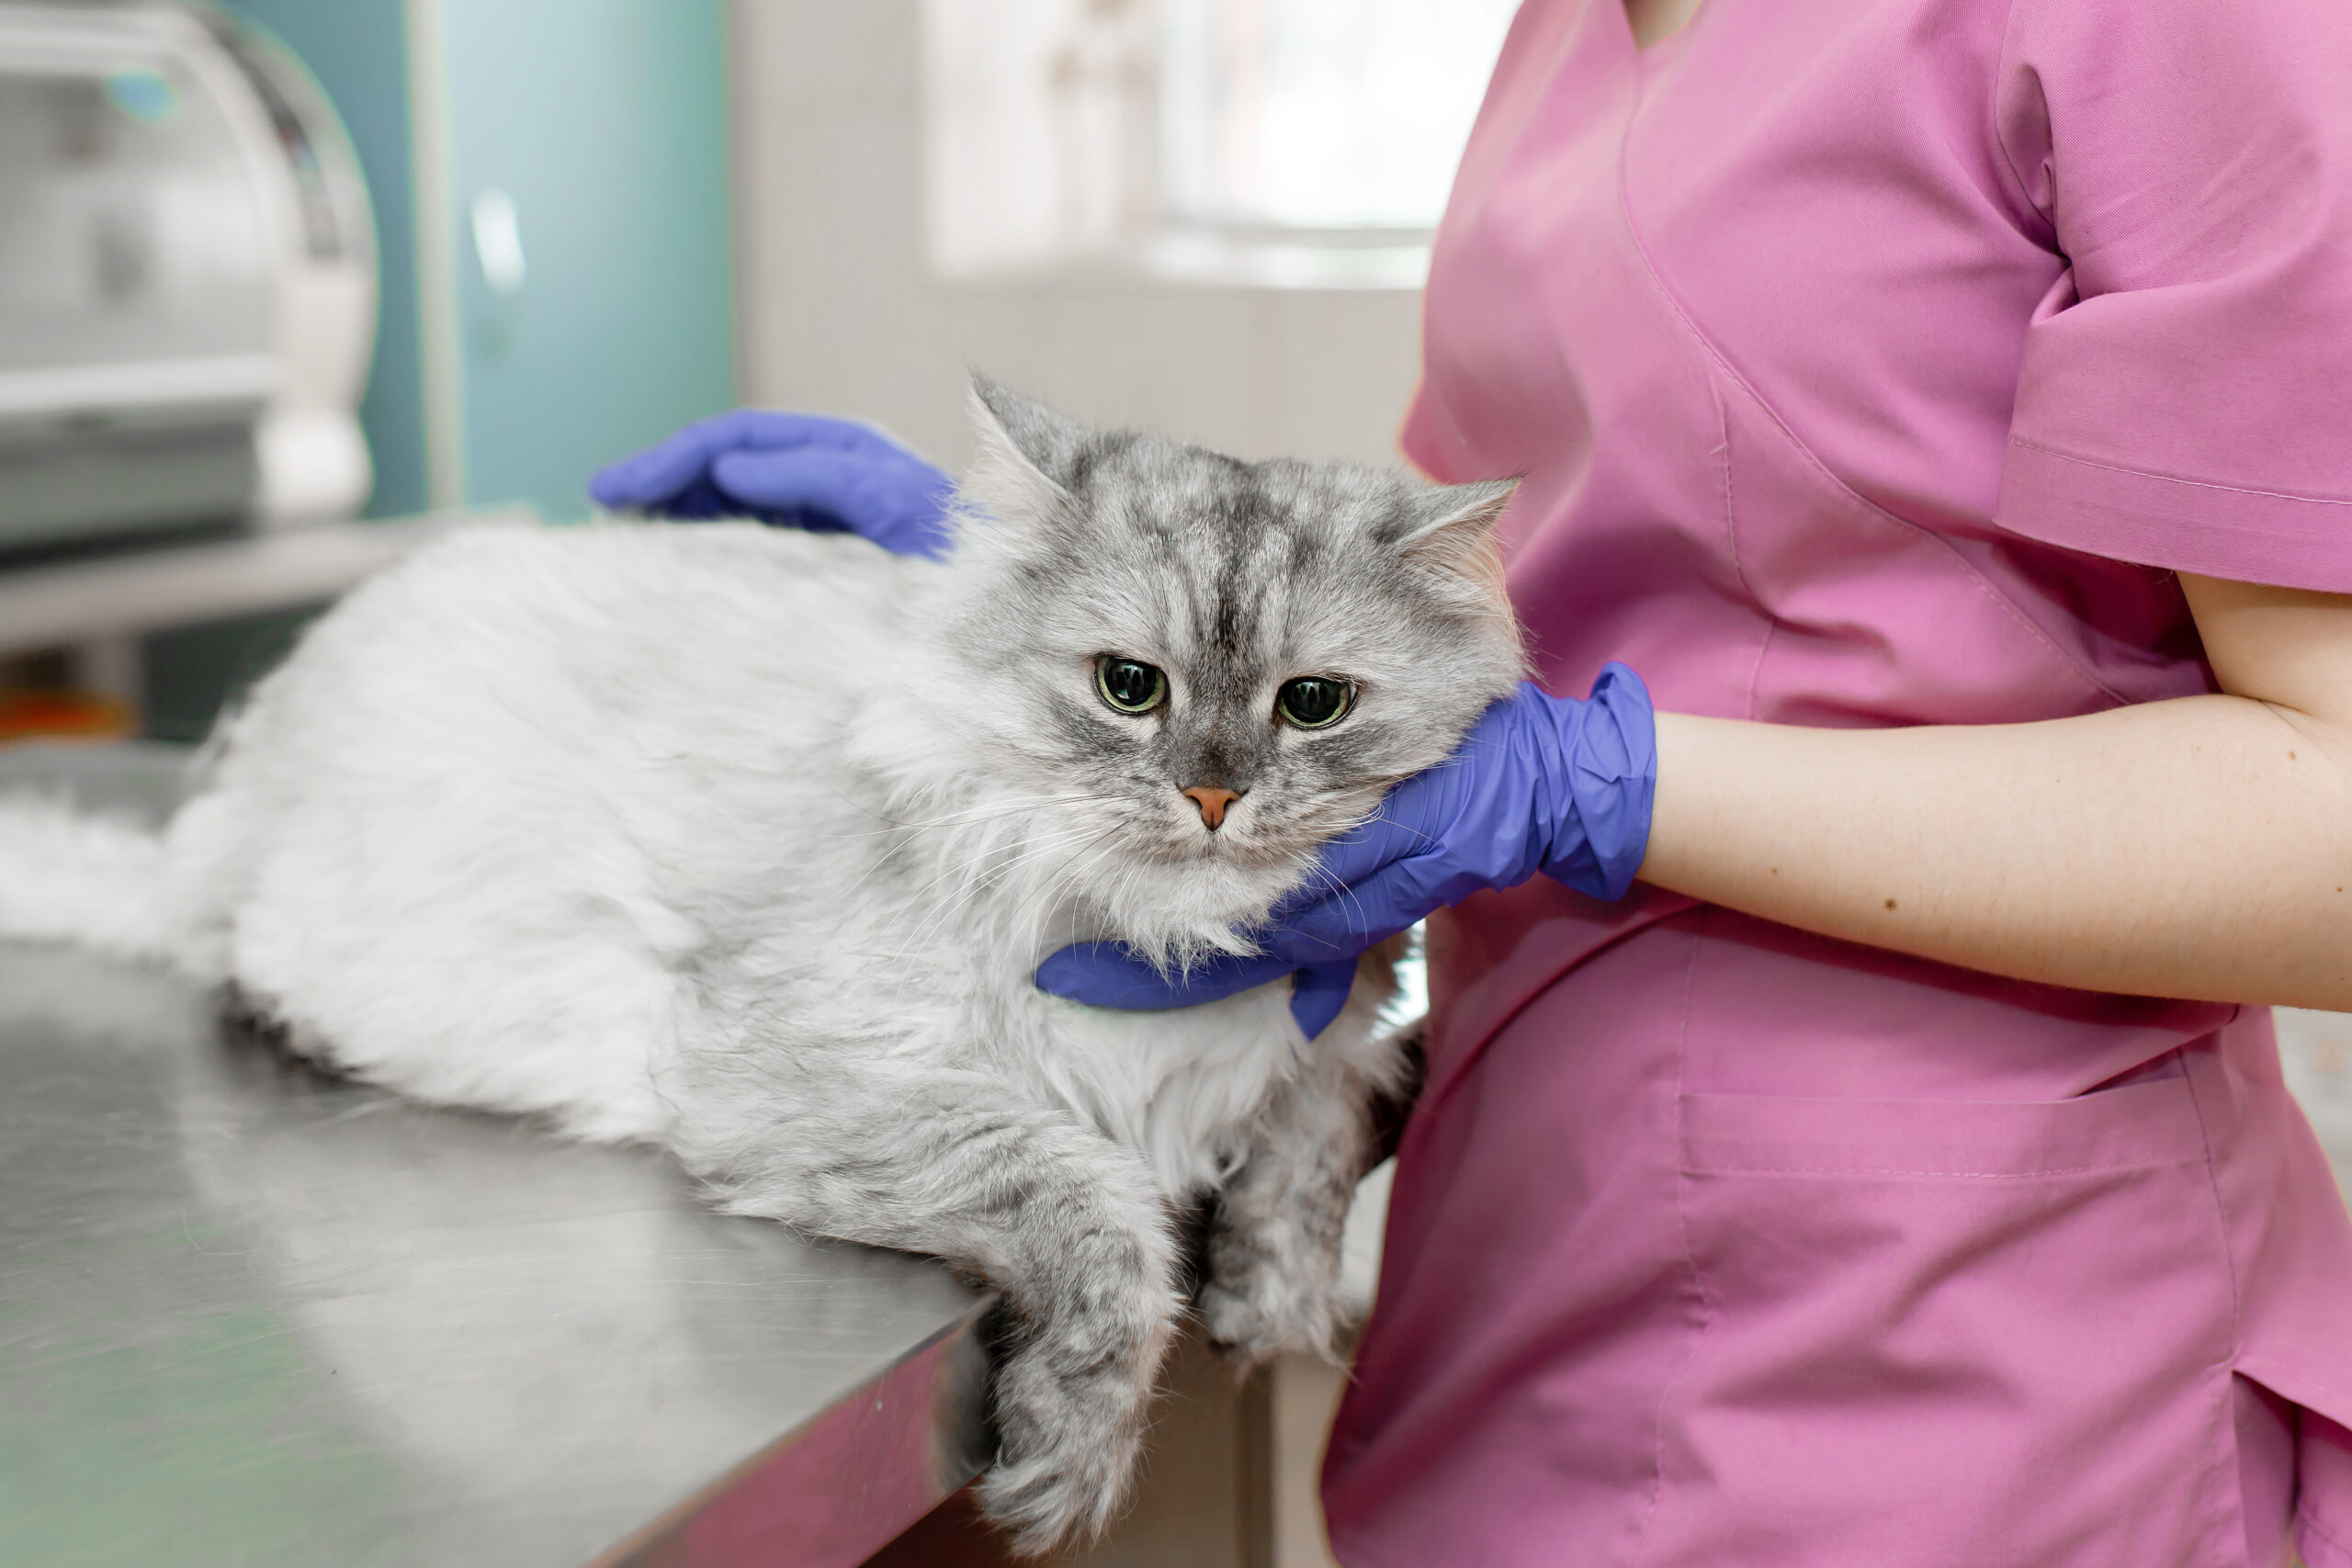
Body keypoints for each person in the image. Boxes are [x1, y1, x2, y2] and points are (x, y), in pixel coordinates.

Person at [591, 0, 2352, 1559]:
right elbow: (1508, 558)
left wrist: (1611, 789)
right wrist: (1053, 582)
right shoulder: (1564, 33)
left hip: (1958, 1354)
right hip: (1530, 1248)